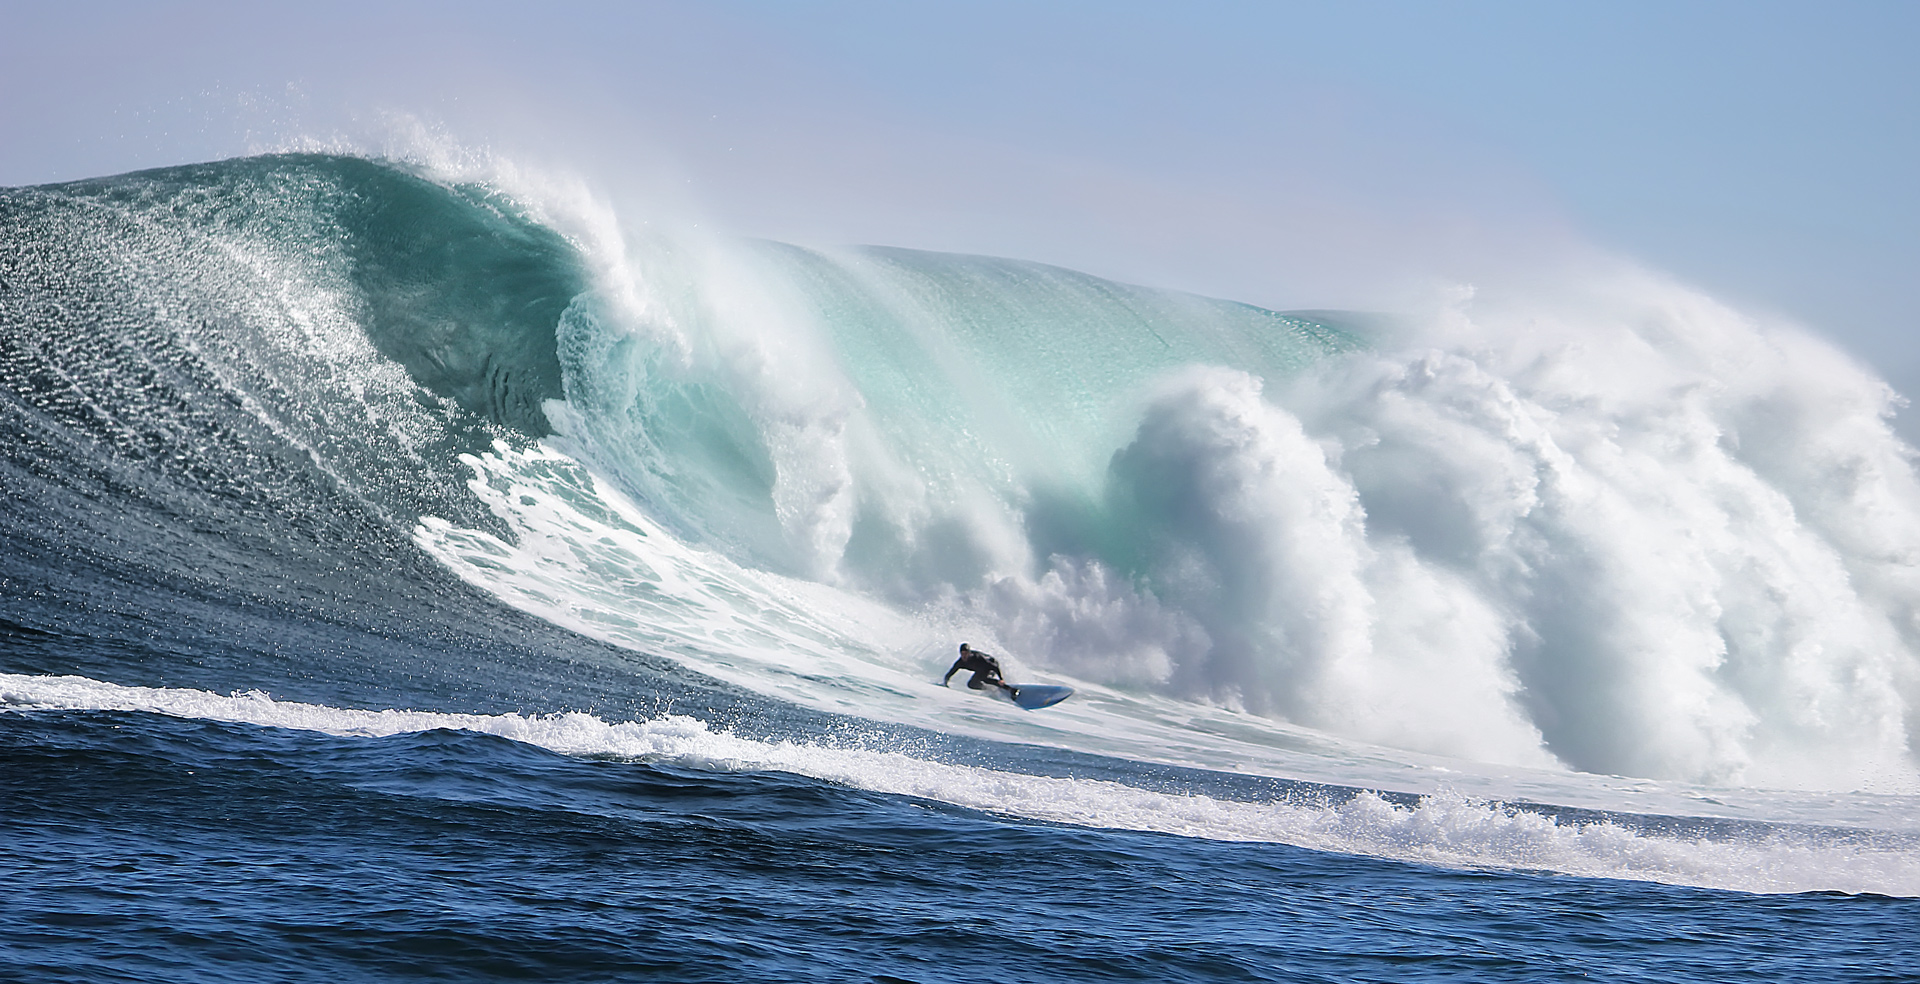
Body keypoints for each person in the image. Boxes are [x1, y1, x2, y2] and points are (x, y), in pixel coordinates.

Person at [943, 643, 1019, 699]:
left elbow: (994, 667)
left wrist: (1001, 679)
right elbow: (951, 672)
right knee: (971, 684)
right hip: (981, 669)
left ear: (969, 653)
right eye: (962, 654)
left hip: (991, 664)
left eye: (966, 653)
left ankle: (1012, 690)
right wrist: (946, 682)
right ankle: (989, 688)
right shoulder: (960, 662)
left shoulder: (978, 658)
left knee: (984, 679)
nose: (964, 656)